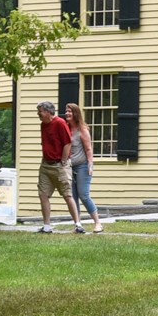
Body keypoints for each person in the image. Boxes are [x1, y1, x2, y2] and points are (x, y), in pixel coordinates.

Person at [35, 100, 84, 234]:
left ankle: (78, 225)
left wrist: (63, 161)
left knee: (67, 195)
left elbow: (67, 143)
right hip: (46, 165)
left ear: (47, 112)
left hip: (59, 165)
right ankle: (47, 226)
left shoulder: (60, 123)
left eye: (40, 111)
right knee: (43, 195)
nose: (38, 114)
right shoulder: (43, 125)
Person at [65, 103, 104, 233]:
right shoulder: (67, 129)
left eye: (70, 111)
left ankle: (98, 223)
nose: (67, 113)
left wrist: (90, 166)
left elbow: (88, 149)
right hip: (69, 168)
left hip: (82, 167)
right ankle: (78, 225)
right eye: (66, 111)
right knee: (73, 197)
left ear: (75, 113)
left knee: (84, 195)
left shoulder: (83, 130)